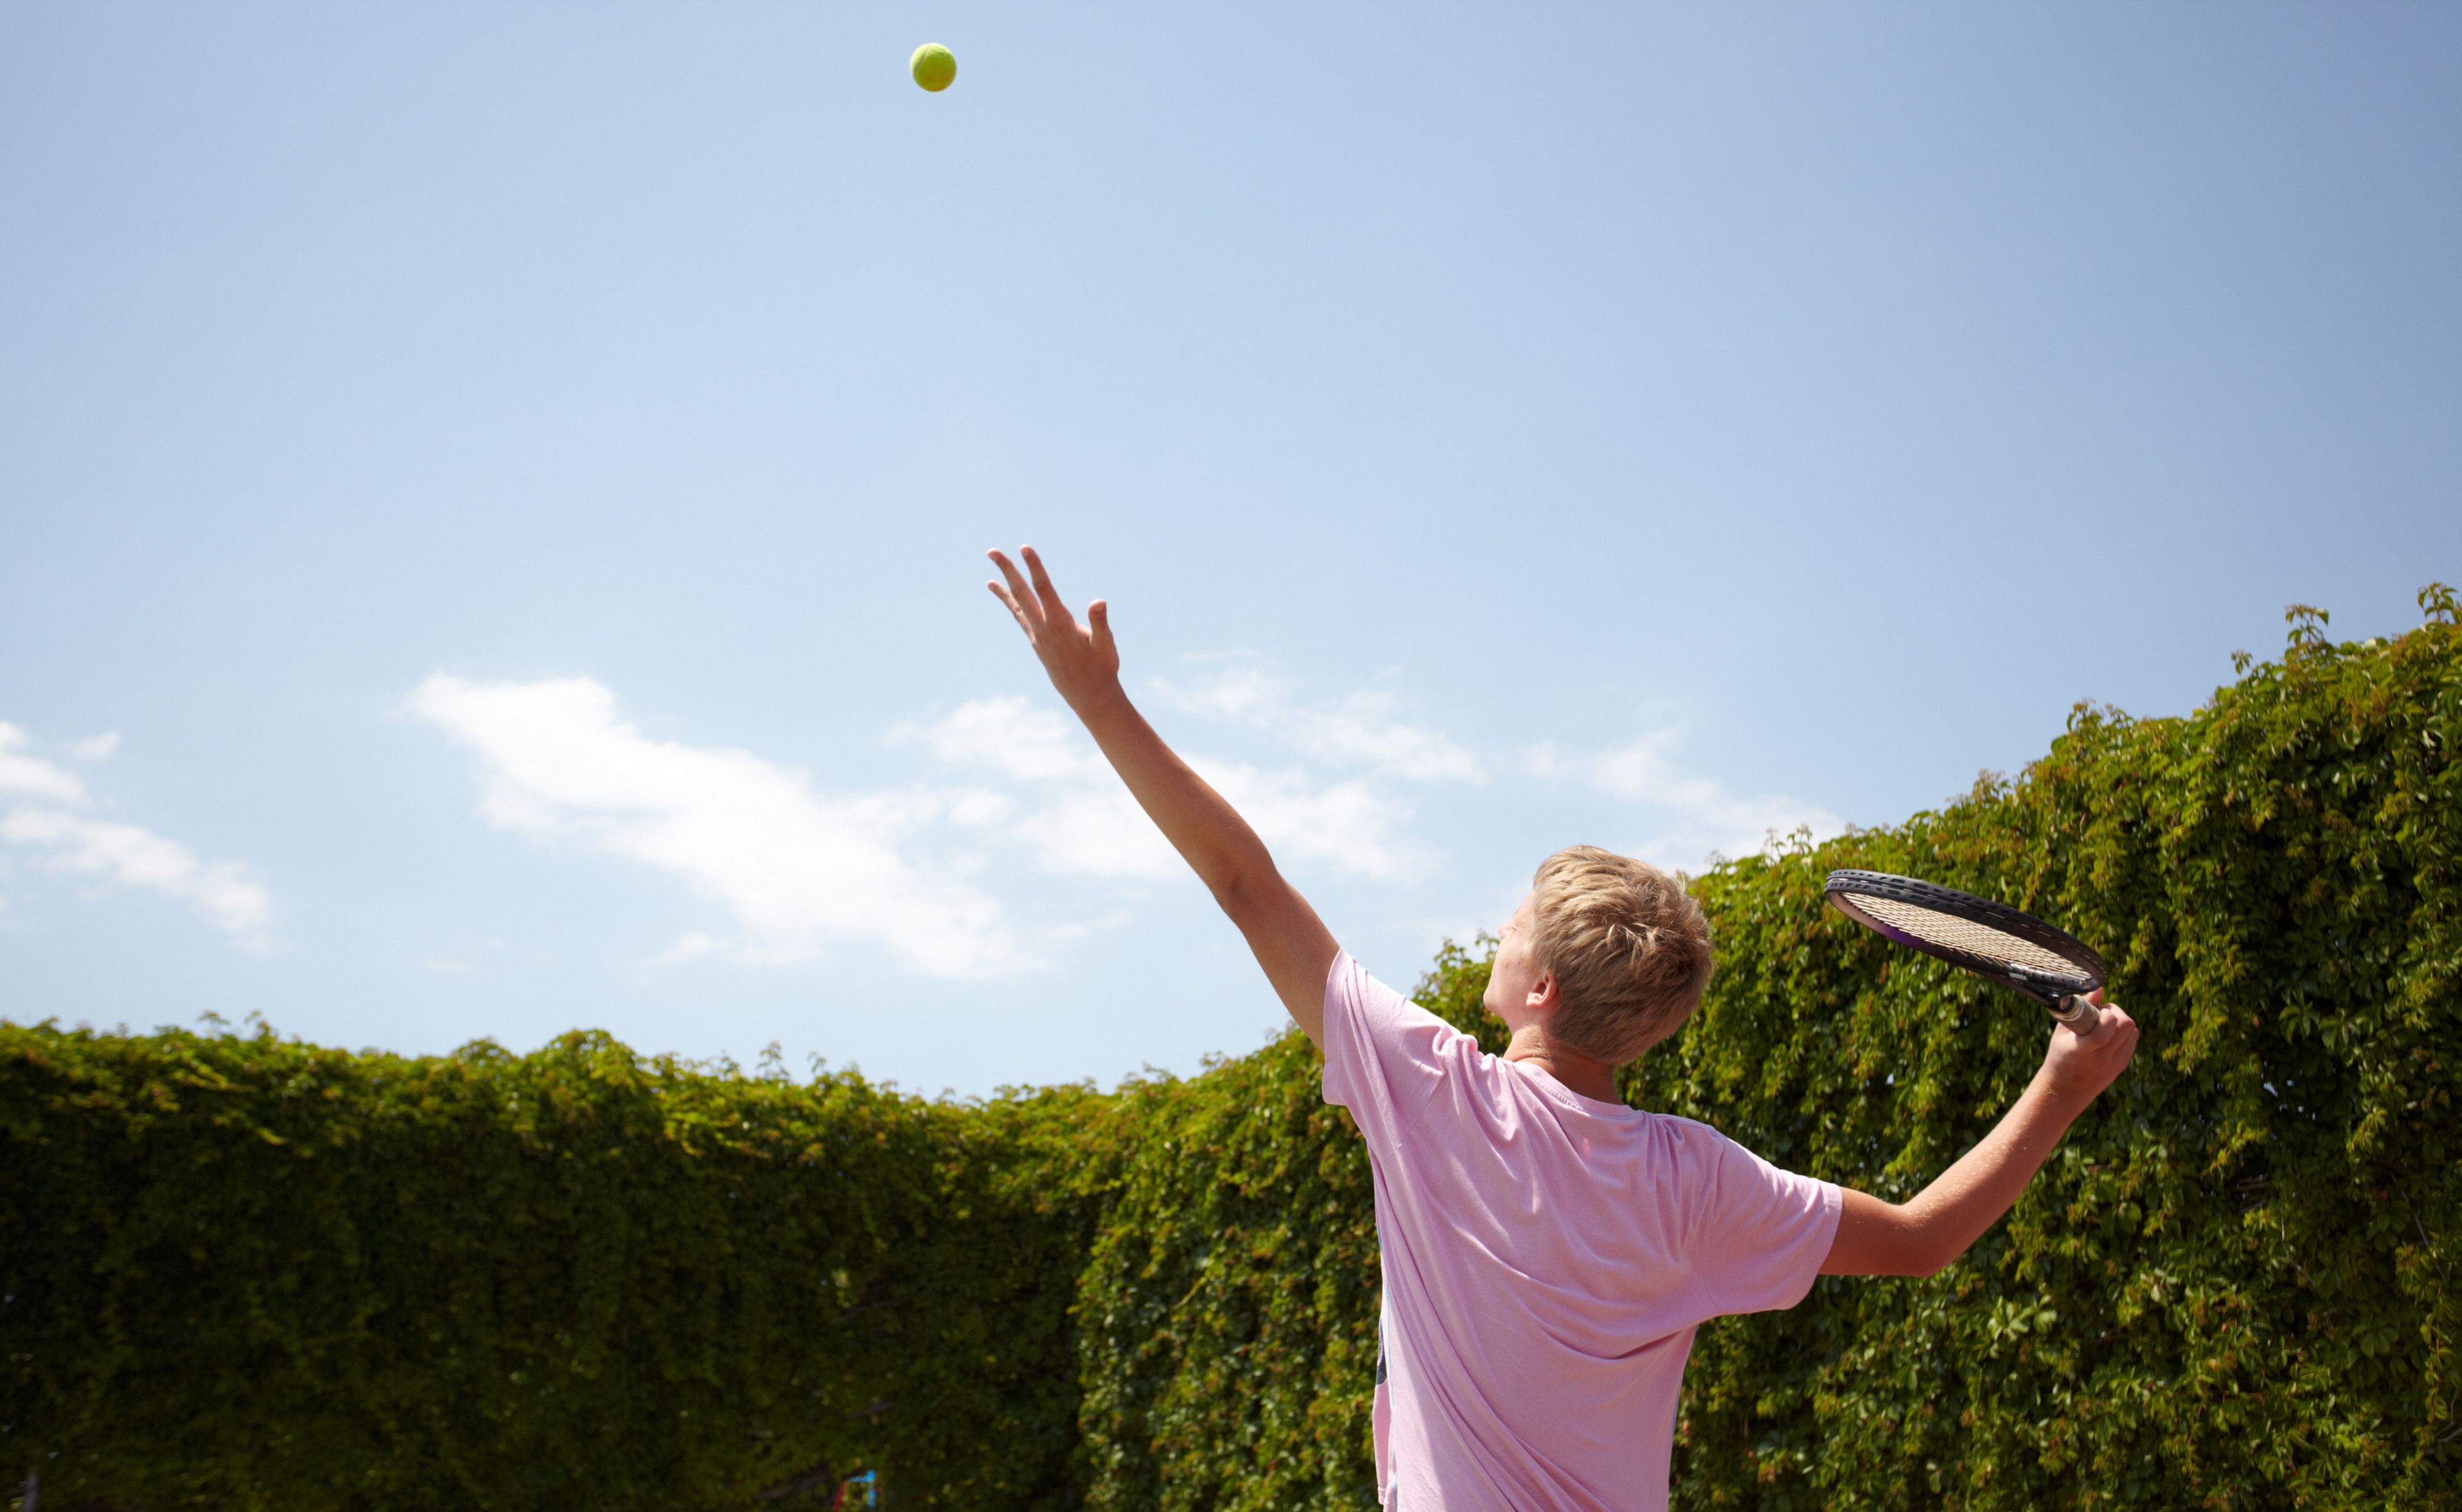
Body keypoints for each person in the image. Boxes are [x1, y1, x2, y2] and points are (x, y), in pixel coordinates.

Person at [986, 545, 2141, 1512]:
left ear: (1540, 991)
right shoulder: (1696, 1181)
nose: (1499, 927)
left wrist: (1098, 700)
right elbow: (1927, 1235)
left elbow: (1245, 883)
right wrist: (2066, 1083)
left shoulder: (1431, 1091)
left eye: (1517, 925)